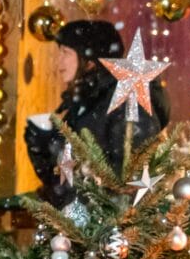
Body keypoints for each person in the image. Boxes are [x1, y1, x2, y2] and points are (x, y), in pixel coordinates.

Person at [24, 18, 170, 204]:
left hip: (109, 229)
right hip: (80, 224)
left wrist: (57, 148)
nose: (58, 63)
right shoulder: (84, 103)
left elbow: (127, 183)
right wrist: (41, 145)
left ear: (89, 60)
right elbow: (61, 184)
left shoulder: (126, 103)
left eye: (66, 53)